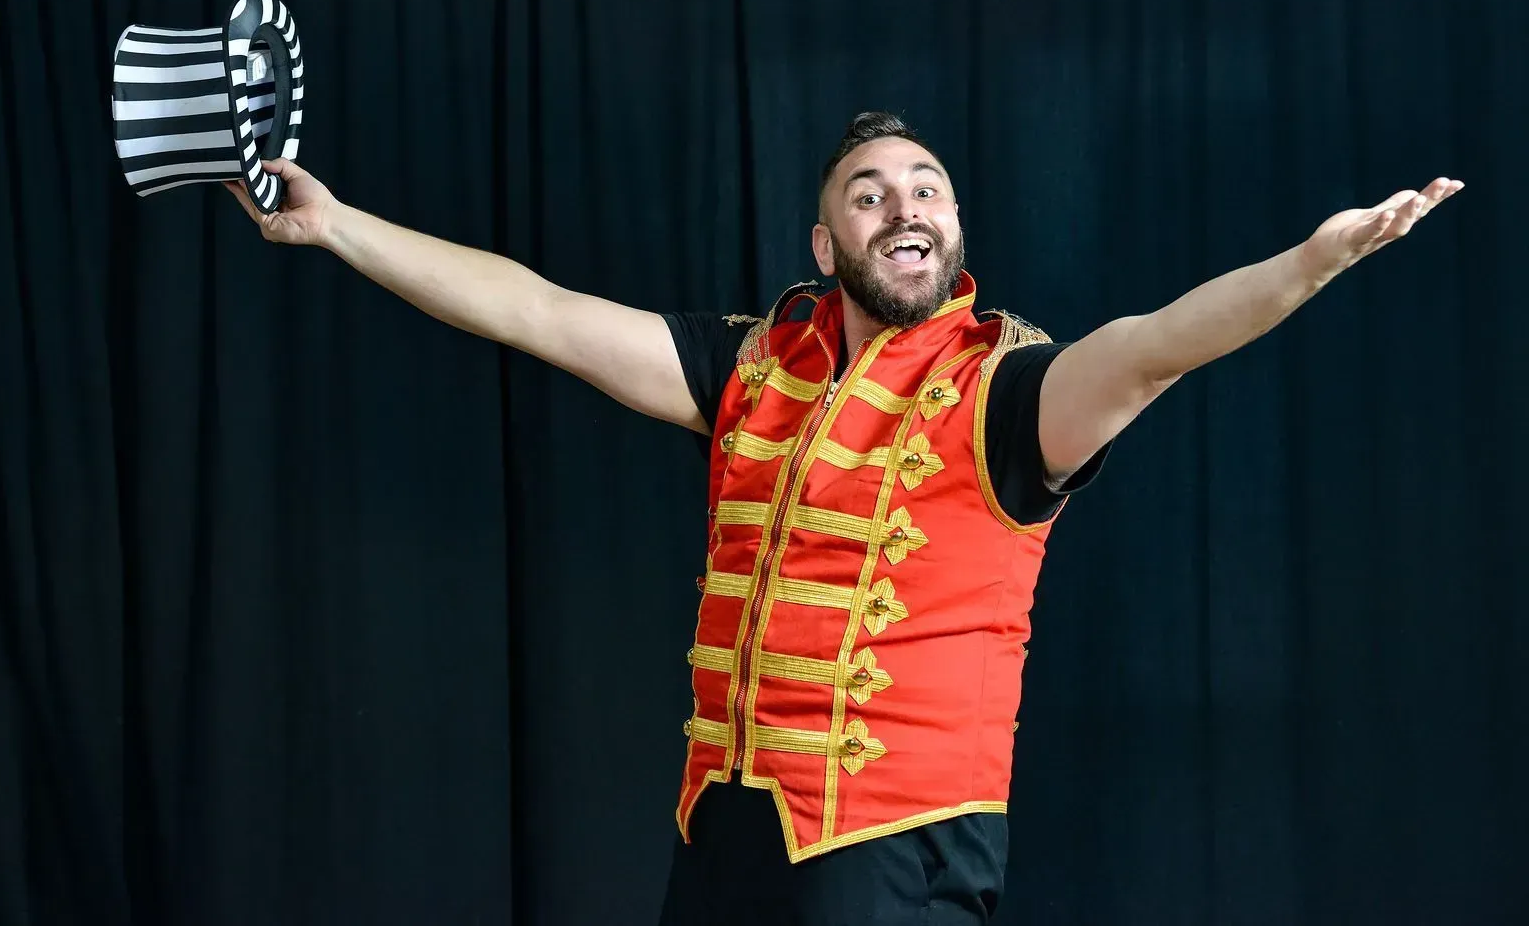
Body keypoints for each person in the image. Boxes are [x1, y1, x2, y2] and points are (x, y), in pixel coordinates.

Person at [224, 112, 1461, 924]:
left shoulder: (1005, 391)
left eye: (925, 188)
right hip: (720, 838)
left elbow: (1148, 353)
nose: (902, 205)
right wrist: (336, 225)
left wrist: (1305, 266)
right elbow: (538, 310)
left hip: (894, 853)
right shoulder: (755, 363)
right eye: (868, 195)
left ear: (956, 230)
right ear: (829, 240)